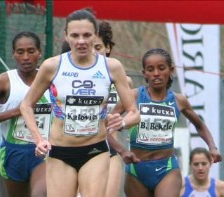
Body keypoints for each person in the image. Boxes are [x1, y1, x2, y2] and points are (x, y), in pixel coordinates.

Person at [20, 9, 140, 197]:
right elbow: (26, 105)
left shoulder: (112, 67)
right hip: (60, 152)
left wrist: (123, 122)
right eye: (75, 35)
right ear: (66, 36)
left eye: (87, 35)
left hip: (95, 150)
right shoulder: (52, 66)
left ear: (96, 36)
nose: (81, 41)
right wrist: (38, 139)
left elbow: (134, 112)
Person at [112, 48, 222, 197]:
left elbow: (200, 126)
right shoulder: (133, 96)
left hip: (167, 168)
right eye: (150, 69)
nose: (156, 73)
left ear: (170, 70)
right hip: (136, 169)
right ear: (144, 73)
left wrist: (212, 147)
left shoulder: (178, 100)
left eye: (161, 68)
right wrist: (122, 150)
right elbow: (104, 126)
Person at [0, 32, 49, 197]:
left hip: (44, 151)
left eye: (31, 51)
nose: (26, 57)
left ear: (39, 52)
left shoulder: (50, 80)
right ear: (13, 54)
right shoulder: (4, 81)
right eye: (20, 52)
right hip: (14, 152)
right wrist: (16, 111)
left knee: (40, 194)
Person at [93, 20, 139, 197]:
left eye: (98, 47)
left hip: (112, 149)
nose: (93, 53)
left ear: (107, 48)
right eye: (90, 47)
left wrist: (121, 122)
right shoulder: (73, 80)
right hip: (80, 146)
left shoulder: (124, 81)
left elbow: (132, 114)